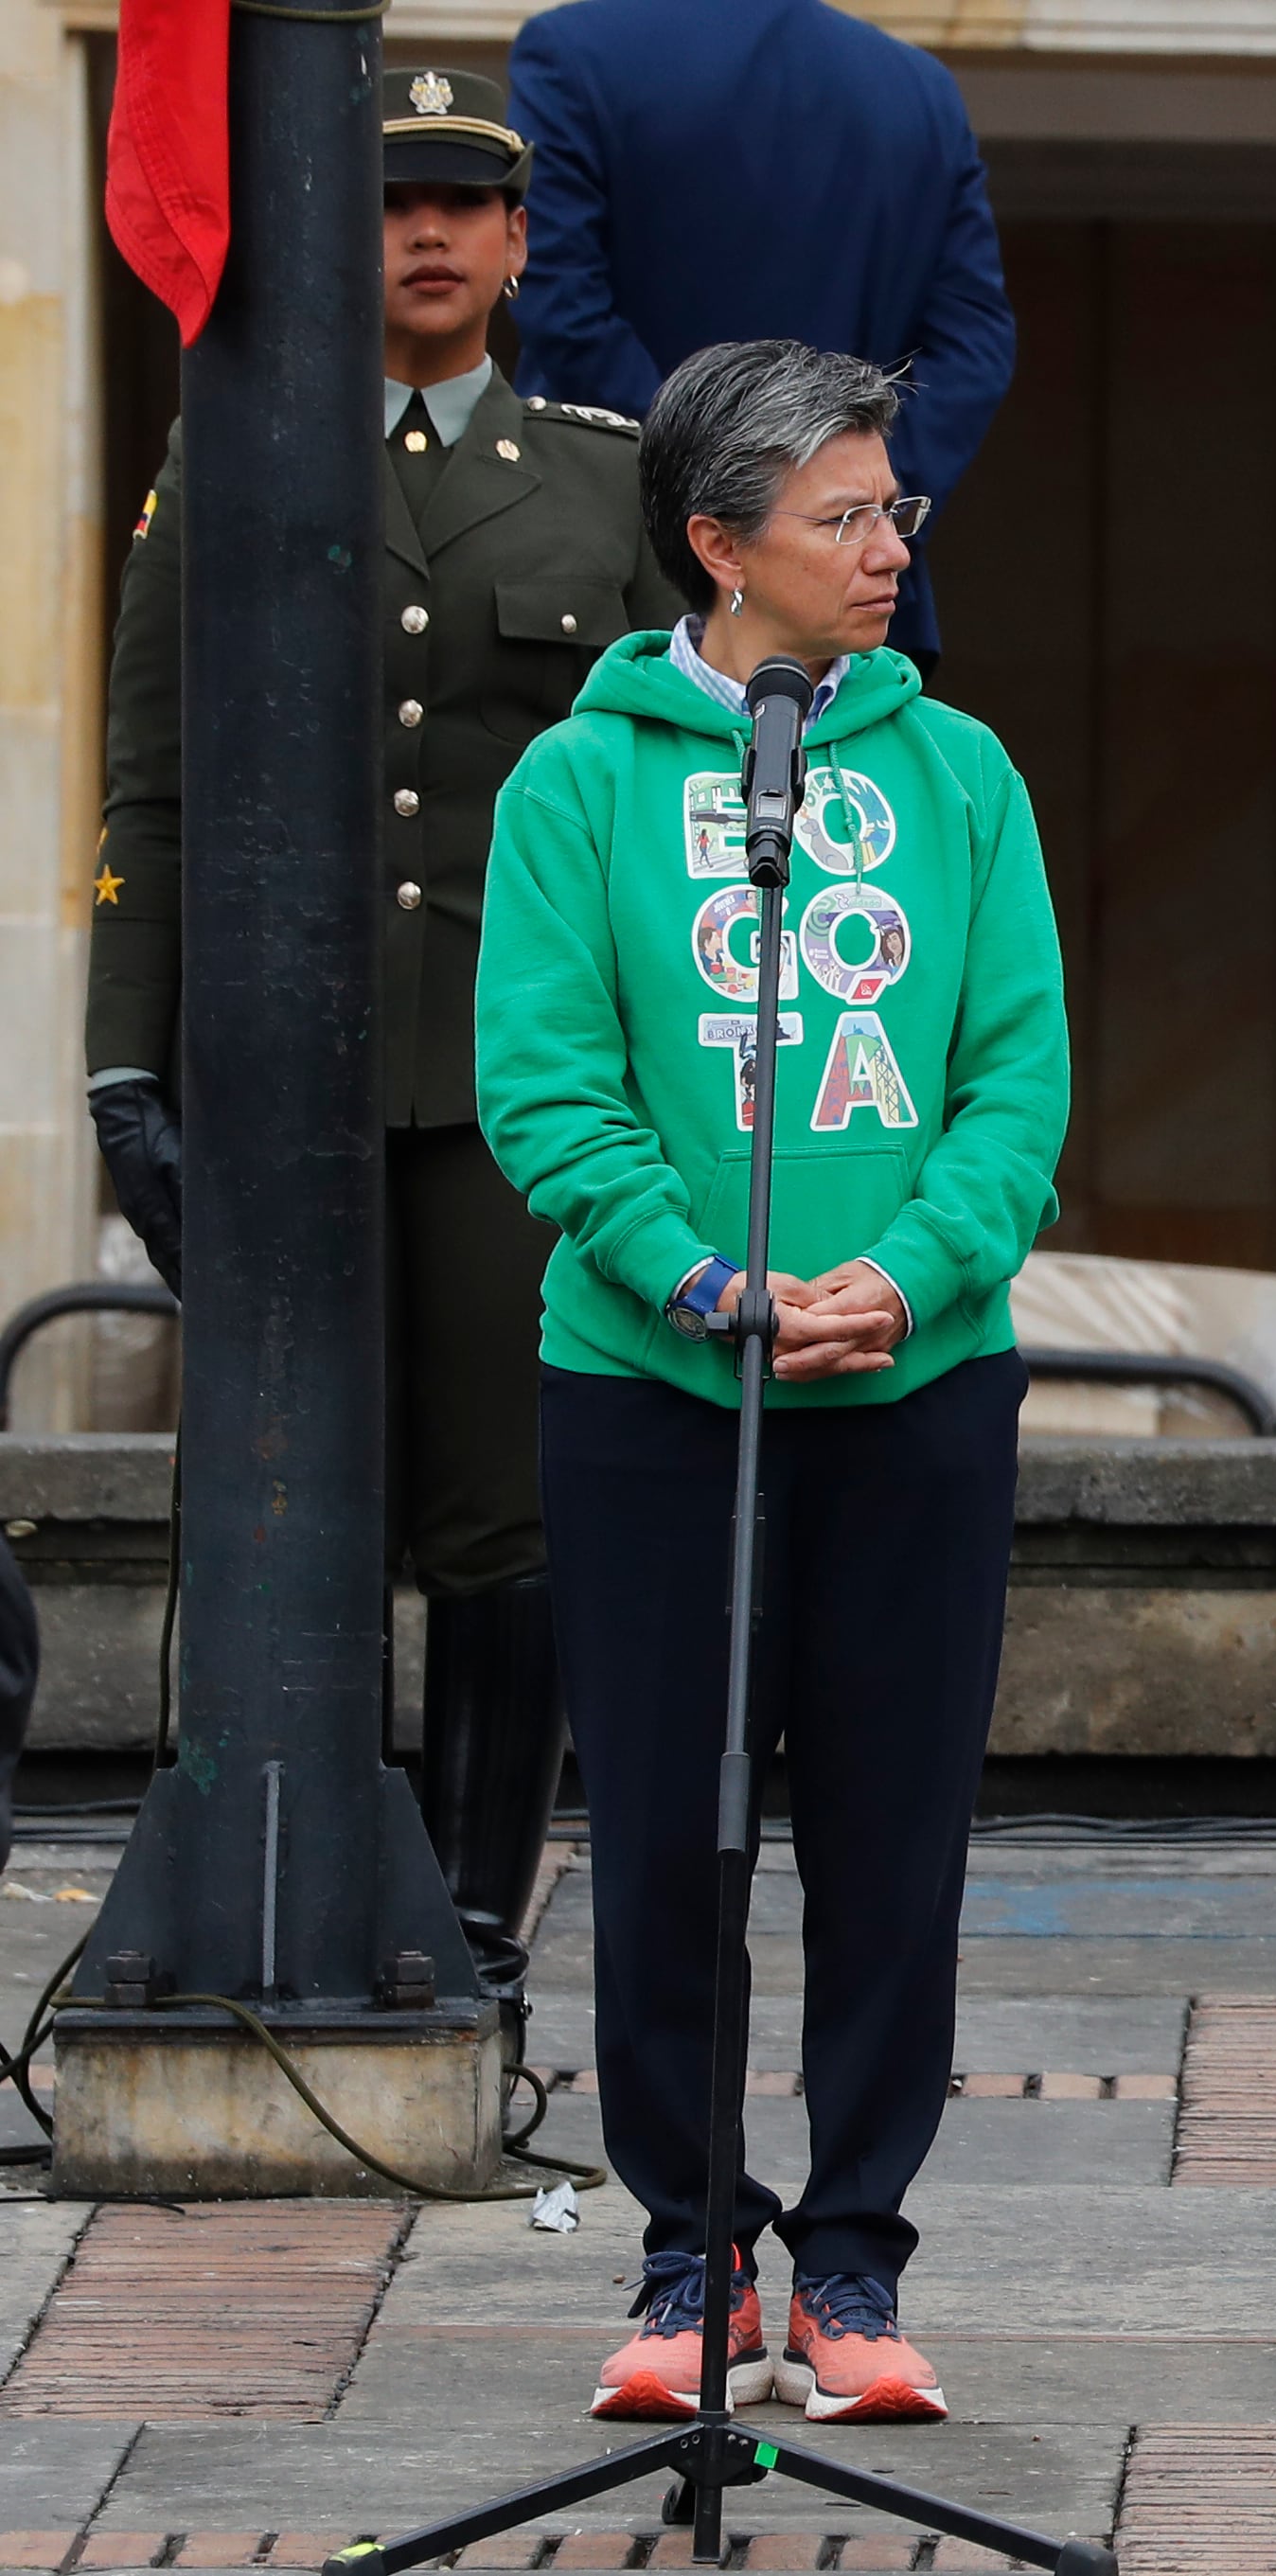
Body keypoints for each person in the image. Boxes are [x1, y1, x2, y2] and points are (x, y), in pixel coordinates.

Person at [478, 339, 1067, 2426]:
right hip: (655, 1398)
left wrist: (900, 1279)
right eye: (844, 515)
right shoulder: (583, 779)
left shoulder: (962, 775)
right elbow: (544, 1087)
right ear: (720, 542)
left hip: (913, 1396)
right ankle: (688, 2244)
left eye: (894, 509)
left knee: (894, 1840)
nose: (890, 545)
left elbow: (1017, 1082)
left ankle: (853, 2259)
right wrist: (709, 1275)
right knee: (663, 1833)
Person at [83, 67, 677, 2001]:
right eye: (390, 201)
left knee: (500, 1518)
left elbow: (676, 809)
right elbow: (156, 785)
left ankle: (479, 1920)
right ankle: (299, 1880)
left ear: (518, 245)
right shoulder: (238, 451)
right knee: (289, 1501)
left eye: (461, 206)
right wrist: (125, 1060)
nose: (424, 235)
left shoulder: (612, 481)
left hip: (522, 1091)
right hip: (288, 1075)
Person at [506, 0, 1014, 664]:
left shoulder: (573, 51)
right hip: (852, 611)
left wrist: (726, 497)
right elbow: (975, 348)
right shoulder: (917, 86)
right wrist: (848, 516)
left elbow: (560, 304)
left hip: (618, 591)